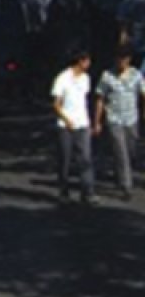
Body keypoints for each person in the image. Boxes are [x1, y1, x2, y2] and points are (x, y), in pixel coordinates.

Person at [95, 46, 145, 199]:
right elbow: (100, 99)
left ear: (128, 60)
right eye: (119, 59)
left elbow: (143, 94)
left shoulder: (136, 75)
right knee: (120, 150)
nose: (121, 62)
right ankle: (126, 185)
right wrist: (97, 121)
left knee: (130, 150)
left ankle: (119, 172)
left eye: (124, 59)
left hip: (131, 118)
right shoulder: (107, 76)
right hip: (114, 118)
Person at [53, 50, 96, 203]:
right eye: (87, 61)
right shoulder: (63, 78)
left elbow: (84, 100)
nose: (89, 64)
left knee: (85, 158)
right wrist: (66, 120)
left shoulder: (86, 79)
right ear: (80, 61)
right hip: (66, 125)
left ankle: (87, 192)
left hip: (82, 123)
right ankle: (63, 191)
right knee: (65, 158)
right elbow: (56, 105)